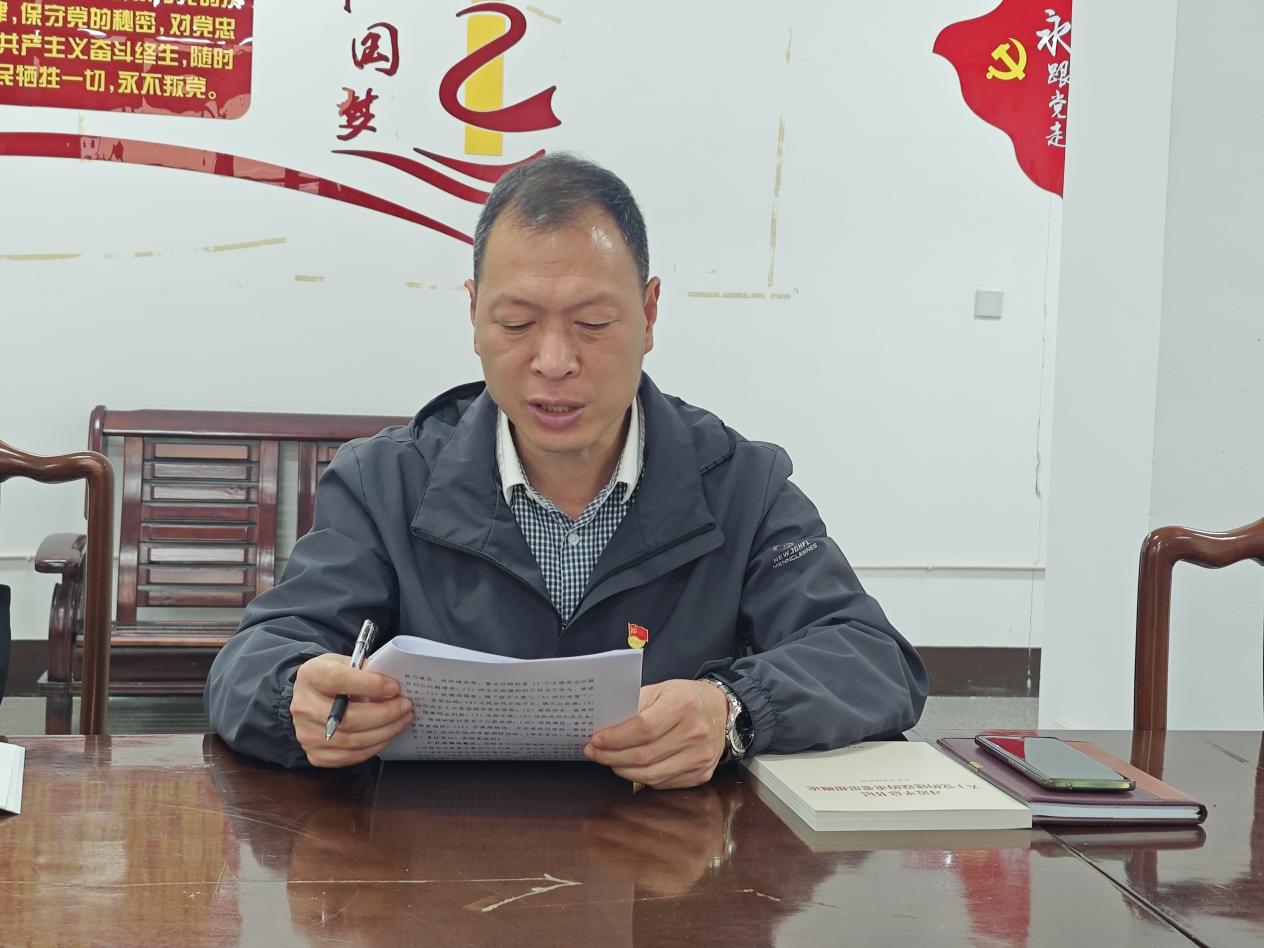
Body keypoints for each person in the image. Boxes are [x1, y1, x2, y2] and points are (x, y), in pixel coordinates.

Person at [205, 153, 927, 788]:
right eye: (517, 323)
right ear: (474, 315)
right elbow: (252, 660)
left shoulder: (739, 485)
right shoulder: (386, 482)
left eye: (593, 323)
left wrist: (733, 709)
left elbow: (871, 659)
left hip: (671, 865)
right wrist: (294, 696)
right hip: (438, 857)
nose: (554, 361)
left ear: (649, 314)